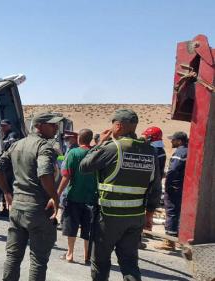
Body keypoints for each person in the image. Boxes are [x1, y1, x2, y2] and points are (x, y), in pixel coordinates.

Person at [80, 109, 162, 281]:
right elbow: (155, 187)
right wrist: (149, 214)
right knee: (130, 263)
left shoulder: (113, 148)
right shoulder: (150, 152)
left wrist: (101, 143)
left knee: (100, 263)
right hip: (135, 217)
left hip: (109, 218)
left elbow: (85, 166)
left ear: (117, 126)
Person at [0, 112, 61, 281]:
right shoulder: (44, 147)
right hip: (38, 209)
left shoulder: (17, 144)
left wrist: (7, 193)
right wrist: (55, 197)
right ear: (39, 126)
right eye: (52, 125)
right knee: (38, 261)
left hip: (17, 208)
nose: (56, 128)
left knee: (13, 257)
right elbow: (44, 173)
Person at [57, 129, 97, 264]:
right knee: (88, 228)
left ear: (79, 138)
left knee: (71, 226)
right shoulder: (96, 153)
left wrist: (57, 193)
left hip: (74, 195)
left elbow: (66, 175)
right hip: (91, 197)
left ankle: (70, 254)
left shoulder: (73, 153)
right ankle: (87, 255)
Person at [155, 131, 188, 251]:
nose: (171, 142)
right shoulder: (188, 151)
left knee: (171, 212)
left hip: (174, 187)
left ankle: (169, 241)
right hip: (182, 187)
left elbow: (173, 169)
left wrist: (168, 182)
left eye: (173, 140)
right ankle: (178, 239)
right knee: (178, 212)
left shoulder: (180, 152)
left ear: (179, 141)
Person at [141, 127, 167, 237]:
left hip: (148, 185)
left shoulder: (151, 151)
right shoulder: (162, 151)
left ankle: (141, 232)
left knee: (142, 209)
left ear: (151, 138)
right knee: (150, 210)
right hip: (156, 185)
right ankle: (148, 230)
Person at [0, 119, 19, 217]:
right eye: (2, 126)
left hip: (8, 167)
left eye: (5, 126)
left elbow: (11, 149)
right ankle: (2, 208)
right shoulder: (4, 136)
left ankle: (6, 209)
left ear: (9, 126)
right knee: (1, 187)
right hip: (3, 166)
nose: (3, 128)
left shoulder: (12, 135)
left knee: (5, 187)